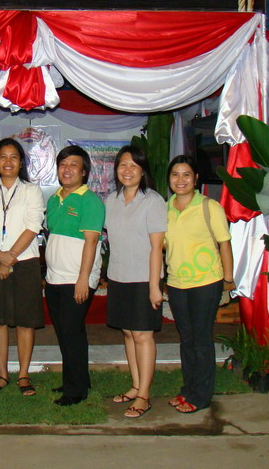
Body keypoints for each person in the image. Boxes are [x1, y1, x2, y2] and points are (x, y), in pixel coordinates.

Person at [164, 155, 234, 413]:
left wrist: (228, 279)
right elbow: (162, 245)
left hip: (206, 281)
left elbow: (224, 243)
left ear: (195, 179)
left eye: (186, 175)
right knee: (187, 339)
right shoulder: (165, 208)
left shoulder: (209, 207)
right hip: (176, 282)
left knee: (201, 339)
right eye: (175, 174)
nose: (180, 180)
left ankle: (201, 396)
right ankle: (188, 389)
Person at [0, 138, 45, 396]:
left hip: (25, 263)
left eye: (13, 157)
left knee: (25, 323)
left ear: (21, 163)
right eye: (3, 157)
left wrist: (10, 257)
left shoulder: (31, 190)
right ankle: (2, 374)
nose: (8, 162)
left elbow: (33, 225)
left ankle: (24, 375)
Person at [104, 145, 167, 418]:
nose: (127, 170)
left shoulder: (153, 201)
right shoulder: (111, 200)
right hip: (119, 276)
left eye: (133, 165)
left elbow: (157, 248)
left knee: (143, 335)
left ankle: (144, 395)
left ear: (143, 170)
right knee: (128, 333)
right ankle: (135, 385)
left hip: (144, 278)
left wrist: (154, 286)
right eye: (122, 165)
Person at [45, 145, 105, 406]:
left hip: (76, 279)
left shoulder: (90, 201)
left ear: (84, 172)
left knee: (71, 332)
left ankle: (76, 390)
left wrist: (83, 279)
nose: (67, 169)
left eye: (73, 165)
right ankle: (76, 378)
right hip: (54, 278)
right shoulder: (53, 199)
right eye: (63, 165)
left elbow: (91, 242)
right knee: (64, 332)